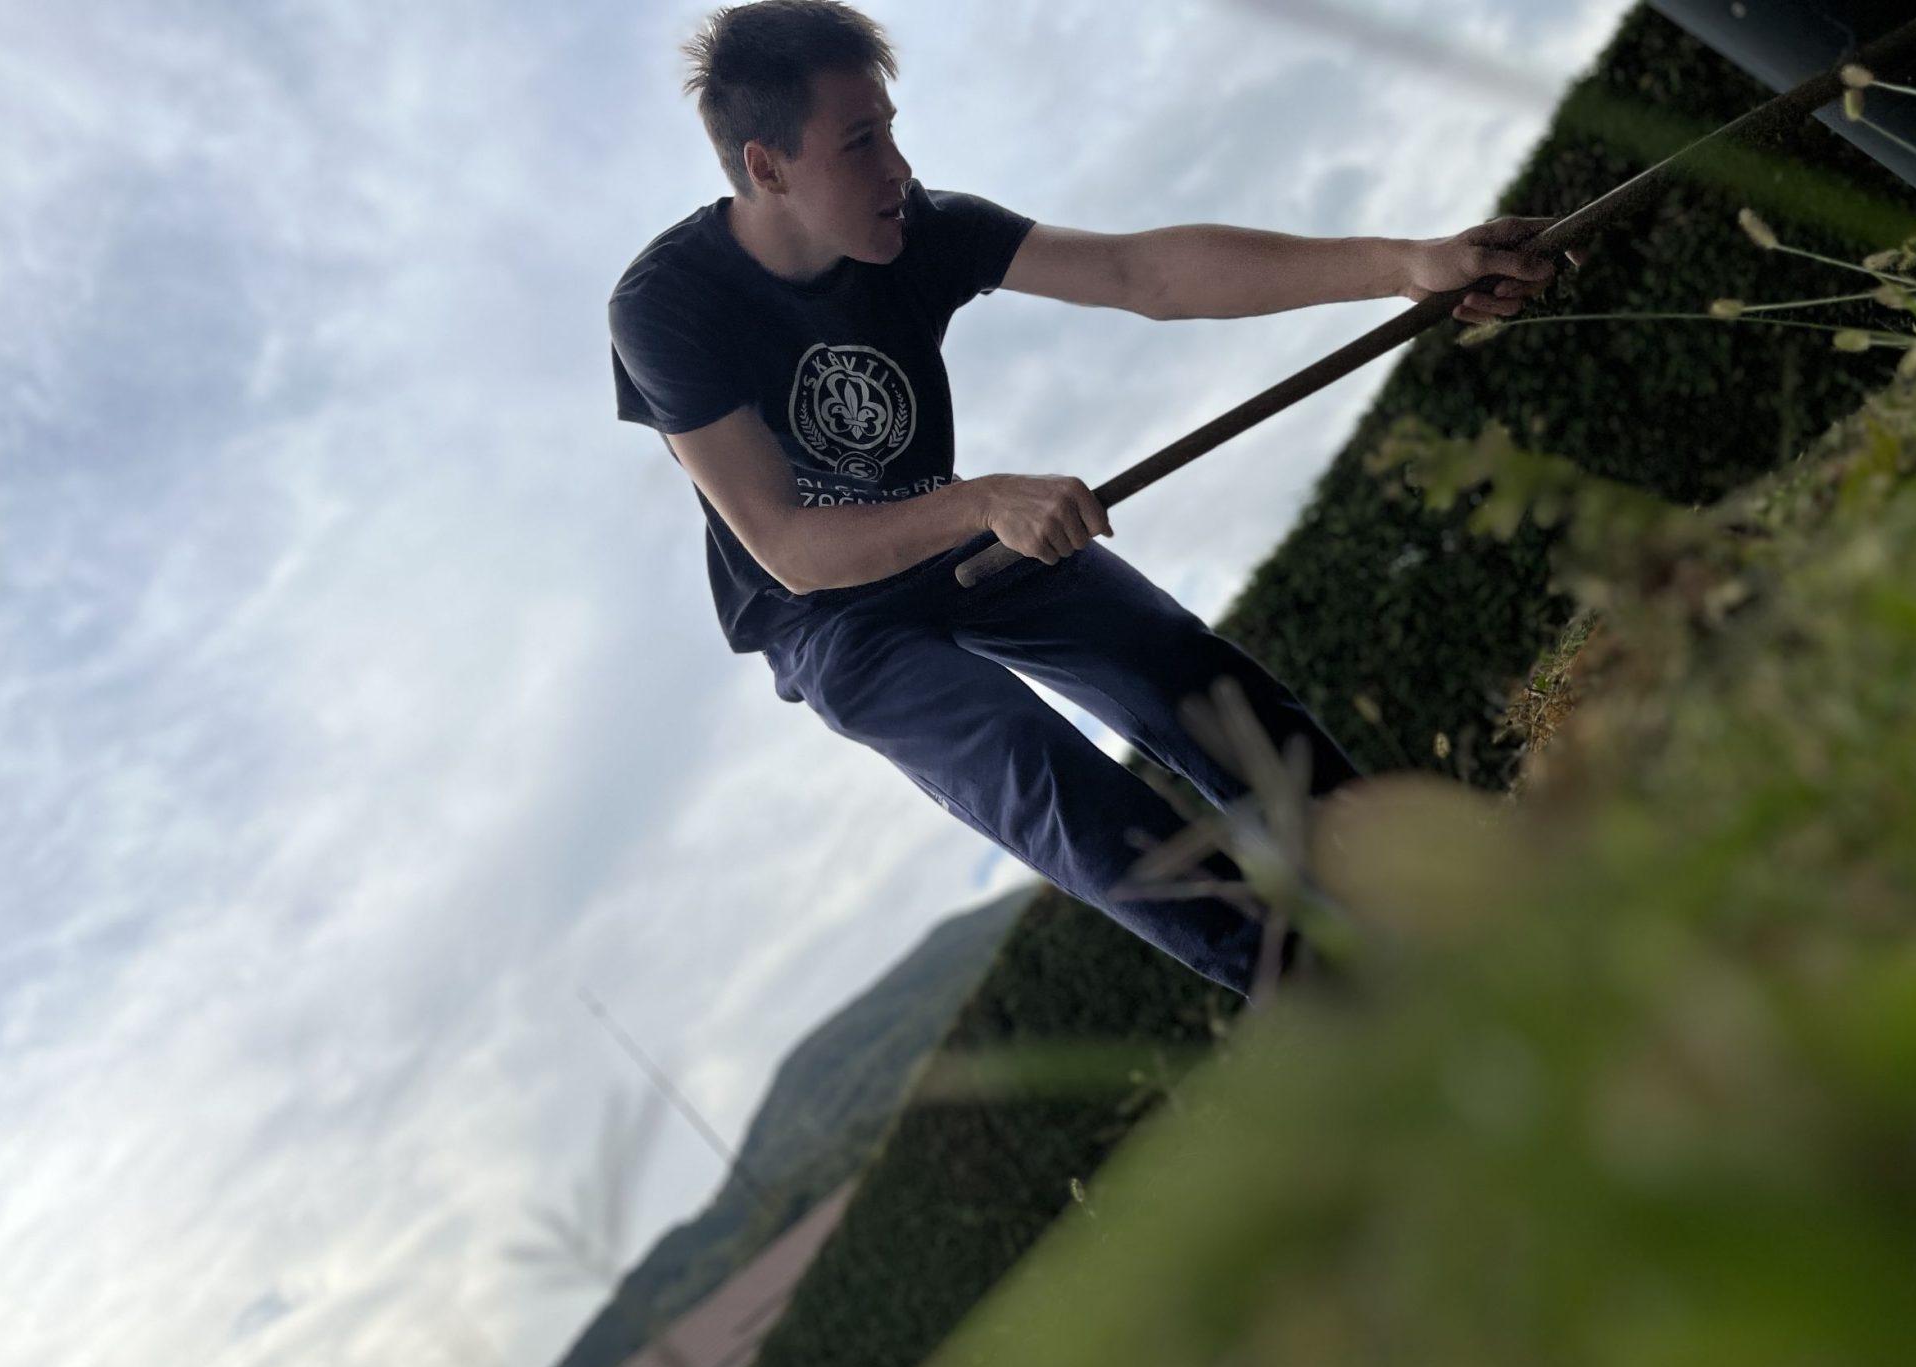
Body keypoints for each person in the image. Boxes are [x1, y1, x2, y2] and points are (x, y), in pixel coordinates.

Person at [607, 0, 1578, 999]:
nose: (898, 166)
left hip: (957, 534)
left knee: (1186, 674)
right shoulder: (668, 305)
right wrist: (983, 500)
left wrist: (1404, 265)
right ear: (766, 167)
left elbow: (1135, 270)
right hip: (829, 617)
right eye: (860, 143)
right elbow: (789, 546)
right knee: (1050, 784)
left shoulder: (925, 229)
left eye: (890, 128)